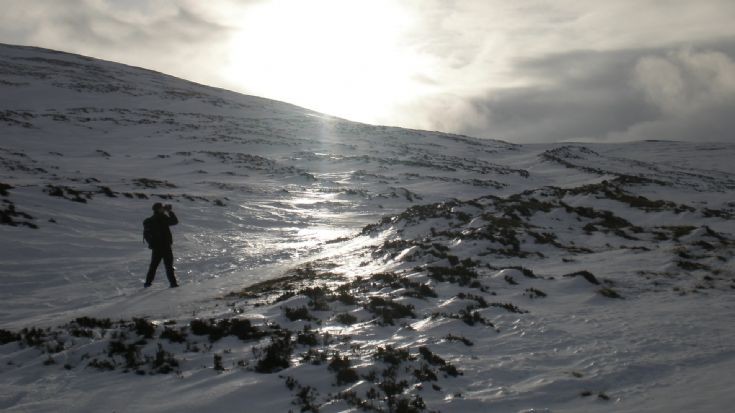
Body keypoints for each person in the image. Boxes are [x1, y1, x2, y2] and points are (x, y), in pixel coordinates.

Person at [144, 202, 179, 288]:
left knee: (153, 266)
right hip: (165, 246)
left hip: (156, 247)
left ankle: (147, 283)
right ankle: (173, 284)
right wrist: (169, 212)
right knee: (168, 266)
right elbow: (175, 221)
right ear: (158, 209)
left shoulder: (152, 219)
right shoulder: (161, 218)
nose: (163, 209)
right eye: (161, 208)